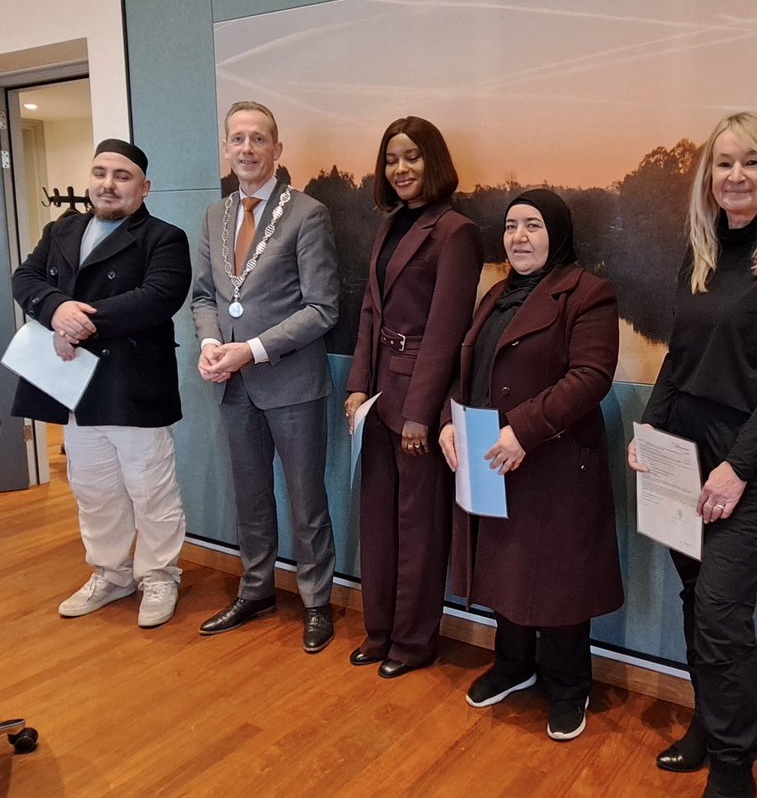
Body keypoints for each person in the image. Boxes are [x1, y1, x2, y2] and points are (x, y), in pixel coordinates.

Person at [628, 112, 757, 798]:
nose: (735, 175)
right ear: (708, 176)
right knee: (696, 600)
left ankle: (735, 769)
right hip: (682, 454)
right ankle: (710, 727)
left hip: (750, 462)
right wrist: (649, 434)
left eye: (750, 162)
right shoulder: (702, 250)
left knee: (720, 610)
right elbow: (678, 359)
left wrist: (738, 468)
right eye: (723, 163)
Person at [438, 189, 623, 742]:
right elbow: (467, 368)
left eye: (533, 226)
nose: (519, 237)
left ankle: (568, 686)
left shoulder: (588, 293)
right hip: (493, 458)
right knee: (504, 566)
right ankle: (513, 664)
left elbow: (590, 377)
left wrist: (523, 430)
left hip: (555, 459)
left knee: (559, 579)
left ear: (557, 233)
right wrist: (449, 420)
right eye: (511, 226)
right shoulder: (495, 295)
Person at [11, 139, 190, 628]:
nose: (108, 184)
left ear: (144, 187)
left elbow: (158, 296)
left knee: (151, 490)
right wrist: (55, 309)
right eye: (100, 173)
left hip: (133, 382)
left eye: (122, 176)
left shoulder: (163, 237)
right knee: (94, 491)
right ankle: (111, 574)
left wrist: (78, 324)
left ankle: (159, 576)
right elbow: (25, 278)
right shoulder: (61, 229)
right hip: (73, 383)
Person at [192, 101, 339, 653]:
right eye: (238, 138)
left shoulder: (308, 214)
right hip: (231, 386)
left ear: (277, 149)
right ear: (226, 148)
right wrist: (211, 345)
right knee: (250, 498)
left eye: (258, 139)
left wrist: (249, 351)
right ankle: (256, 591)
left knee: (306, 501)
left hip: (292, 384)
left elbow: (322, 309)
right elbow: (204, 297)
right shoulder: (214, 216)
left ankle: (317, 602)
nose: (247, 148)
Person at [343, 117, 483, 678]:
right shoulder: (389, 226)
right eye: (391, 159)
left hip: (418, 400)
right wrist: (357, 384)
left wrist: (422, 414)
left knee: (418, 525)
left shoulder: (456, 232)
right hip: (378, 395)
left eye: (412, 157)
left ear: (434, 162)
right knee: (378, 521)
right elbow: (369, 311)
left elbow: (448, 332)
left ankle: (413, 640)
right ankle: (379, 631)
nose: (400, 169)